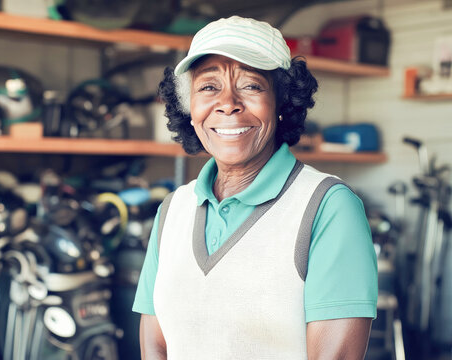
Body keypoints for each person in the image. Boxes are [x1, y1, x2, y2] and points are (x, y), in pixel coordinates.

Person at [133, 15, 377, 359]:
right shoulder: (173, 210)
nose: (228, 102)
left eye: (251, 85)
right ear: (190, 108)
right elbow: (156, 347)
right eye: (208, 87)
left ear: (282, 103)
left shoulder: (327, 207)